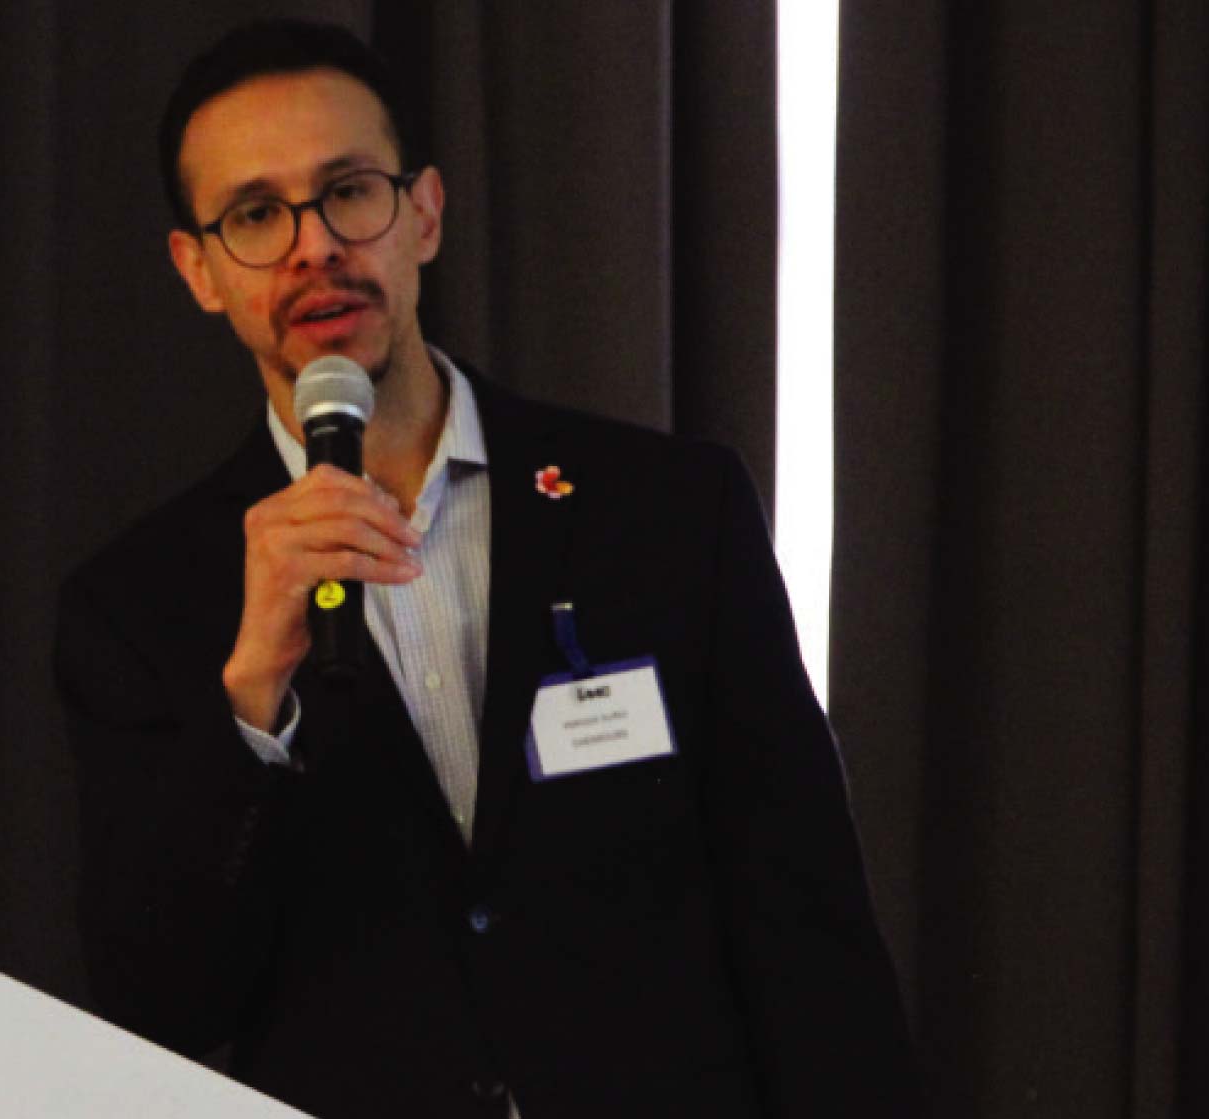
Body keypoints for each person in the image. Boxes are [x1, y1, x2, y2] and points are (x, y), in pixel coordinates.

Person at [52, 19, 918, 1118]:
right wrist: (253, 696)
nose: (315, 248)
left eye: (349, 192)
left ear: (424, 212)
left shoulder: (665, 510)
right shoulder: (142, 603)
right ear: (200, 270)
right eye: (256, 215)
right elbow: (159, 1001)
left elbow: (807, 921)